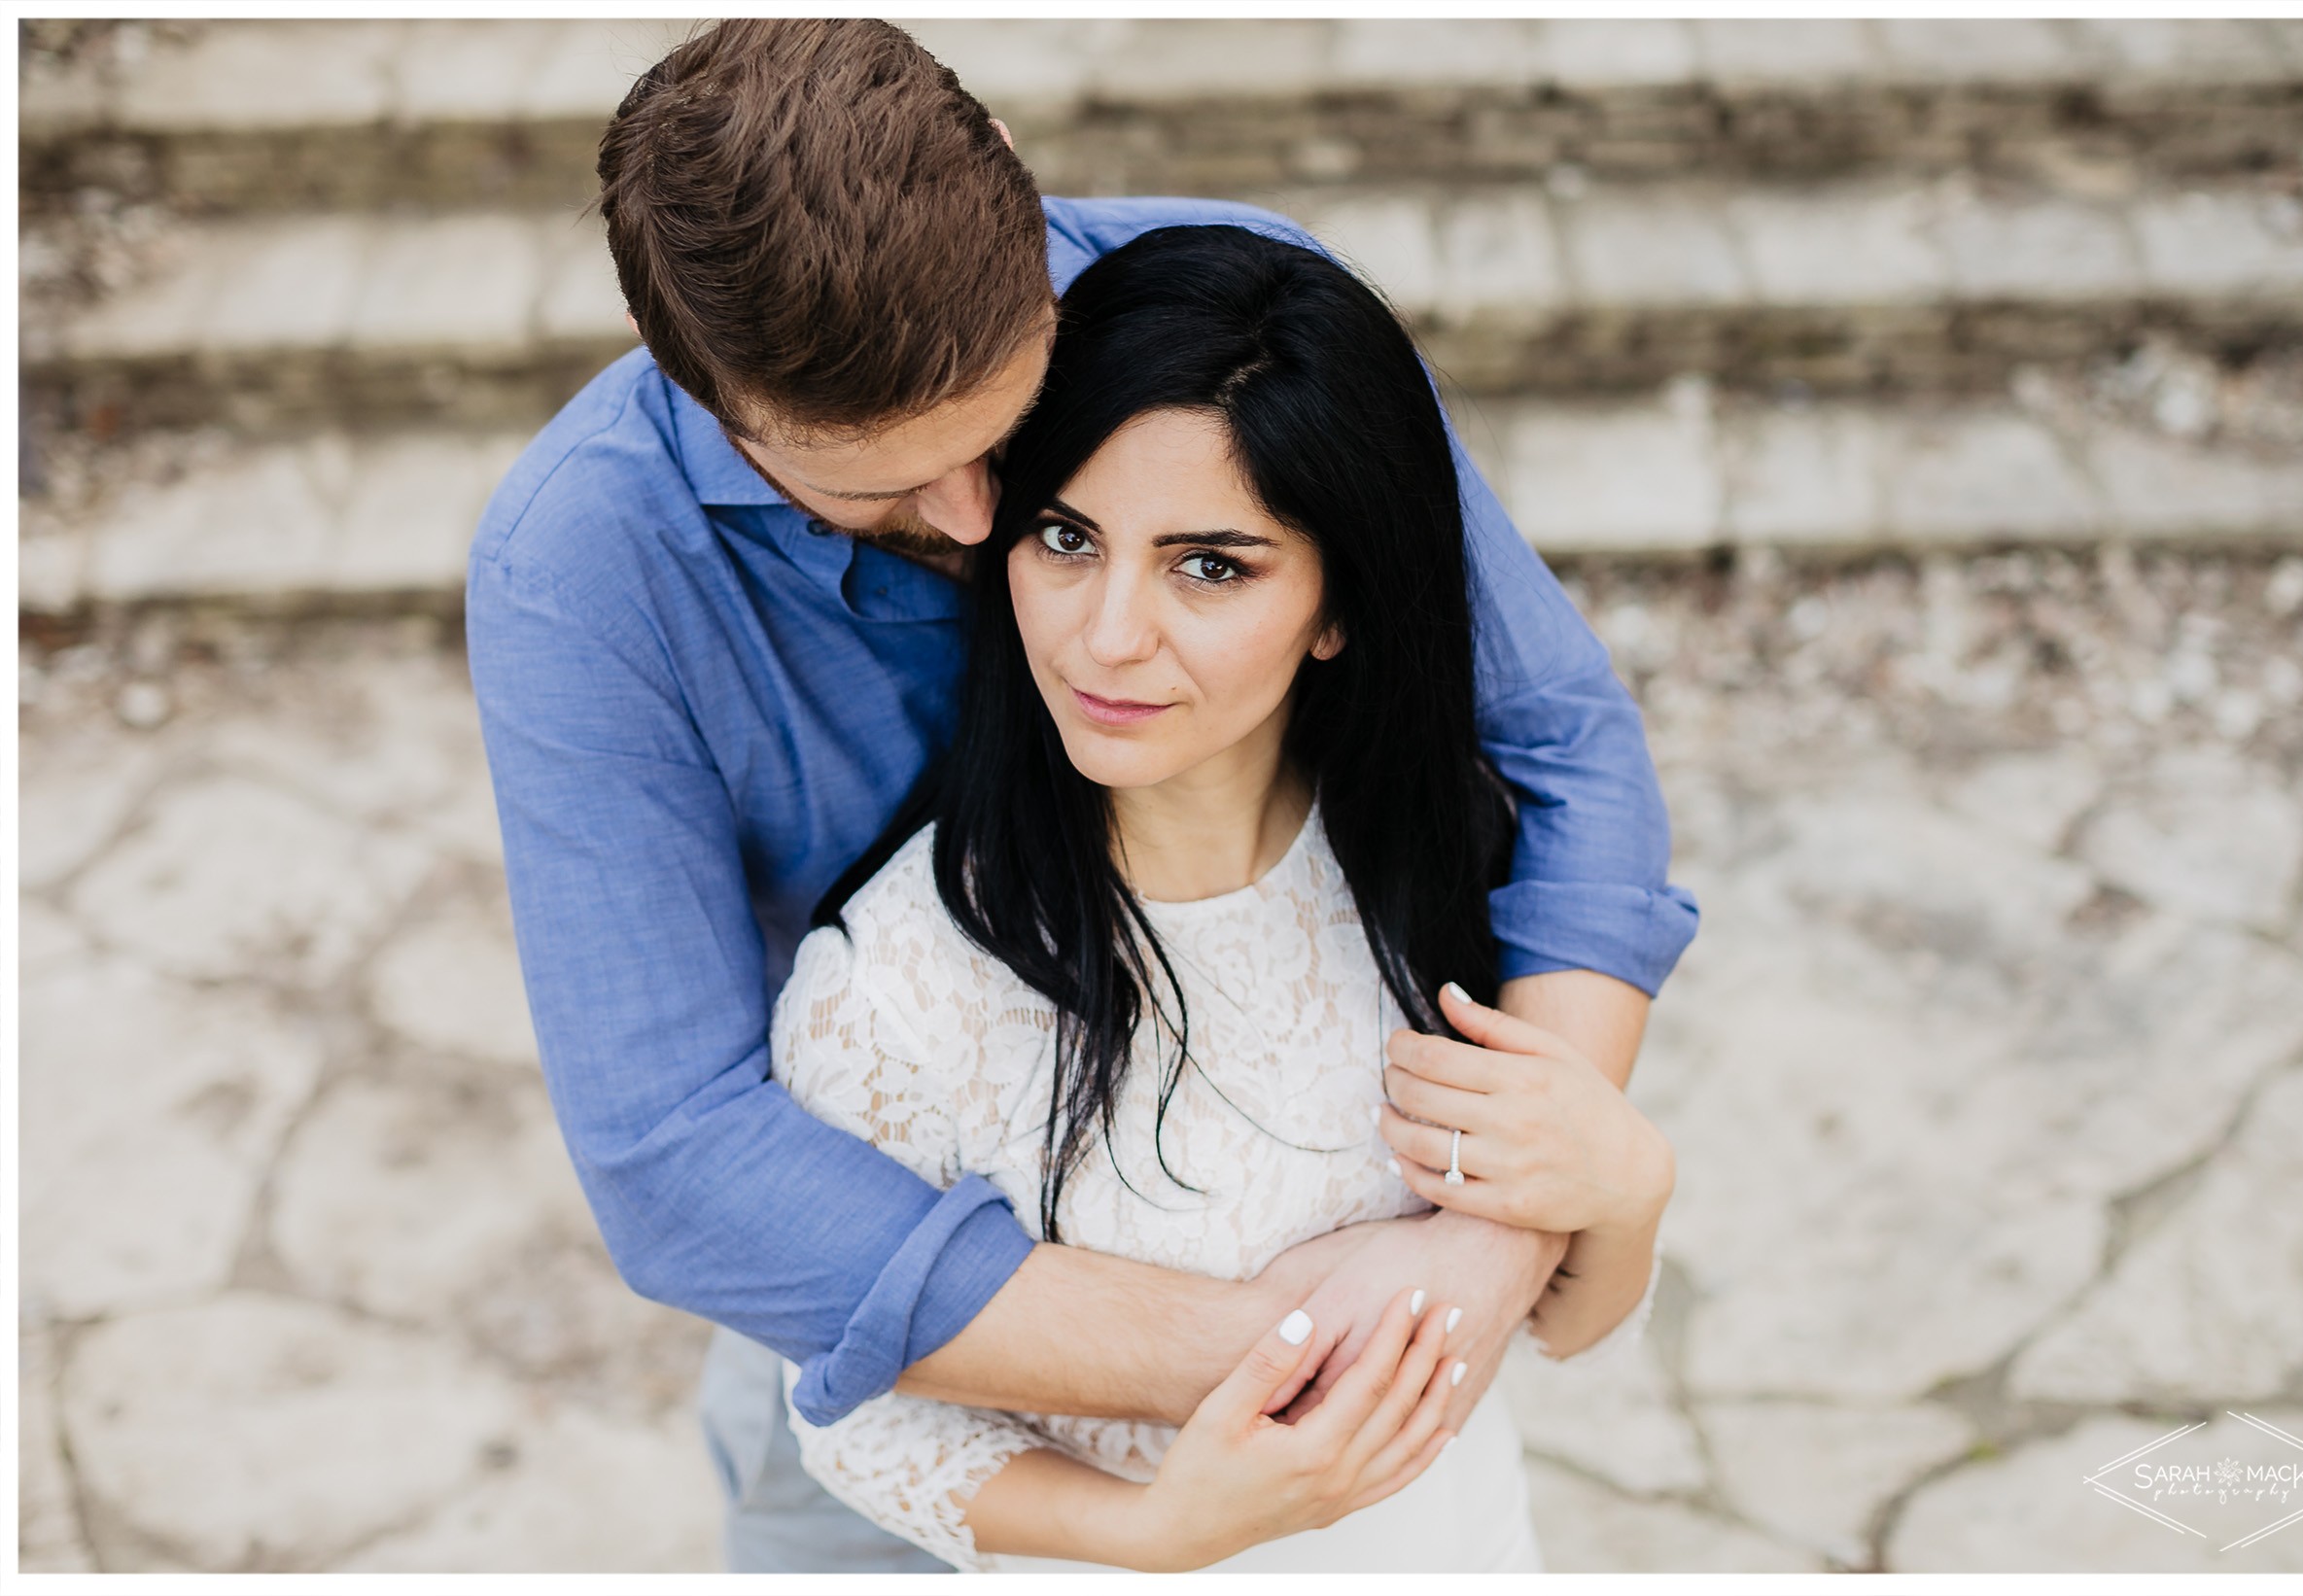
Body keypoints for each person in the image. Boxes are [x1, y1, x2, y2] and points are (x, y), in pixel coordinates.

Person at [467, 18, 1697, 1571]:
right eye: (889, 483)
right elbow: (677, 1162)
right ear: (715, 399)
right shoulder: (581, 570)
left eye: (1008, 439)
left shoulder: (1213, 316)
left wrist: (1508, 1208)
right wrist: (1285, 1347)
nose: (979, 521)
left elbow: (1561, 739)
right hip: (881, 1223)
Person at [770, 223, 1674, 1573]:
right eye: (1066, 537)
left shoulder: (1460, 860)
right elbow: (855, 1424)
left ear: (1336, 602)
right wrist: (1157, 1530)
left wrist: (1631, 1183)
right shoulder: (893, 991)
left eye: (1211, 565)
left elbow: (1560, 1319)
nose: (1108, 633)